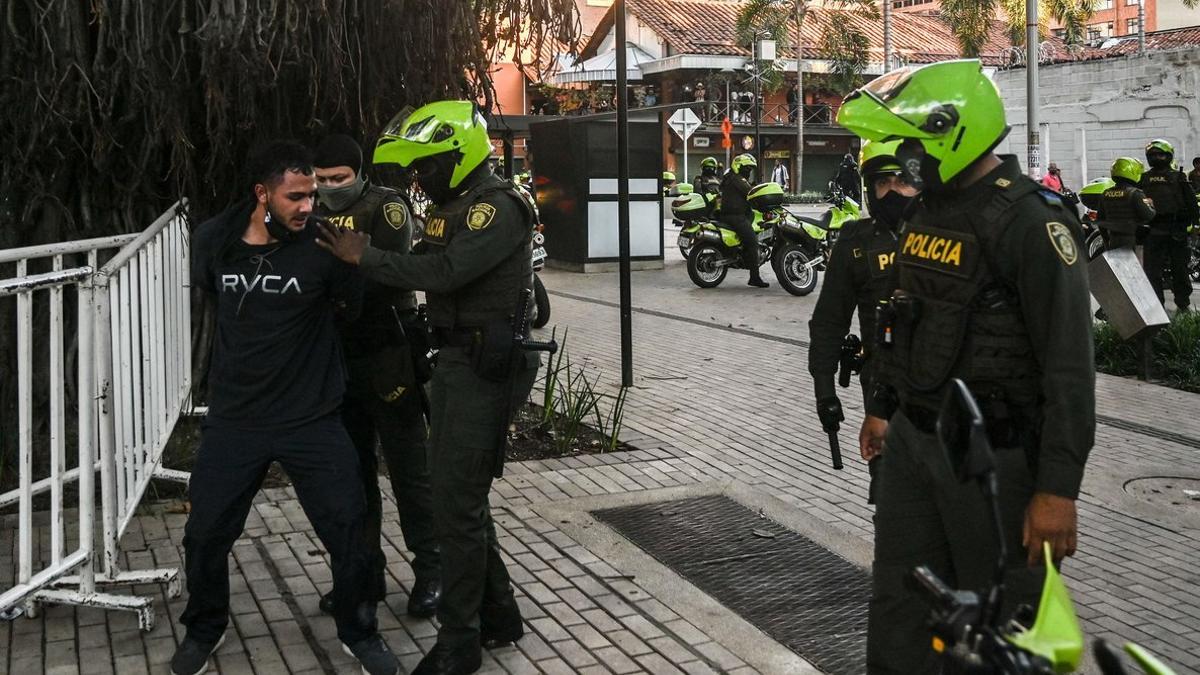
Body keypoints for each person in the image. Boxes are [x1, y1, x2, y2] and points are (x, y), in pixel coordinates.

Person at [837, 59, 1094, 674]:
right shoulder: (929, 211)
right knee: (902, 607)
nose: (907, 157)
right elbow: (901, 321)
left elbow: (1069, 367)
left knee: (1003, 631)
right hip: (915, 448)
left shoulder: (1032, 223)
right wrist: (882, 409)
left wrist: (1057, 489)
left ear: (957, 132)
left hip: (996, 464)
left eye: (917, 141)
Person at [317, 101, 538, 675]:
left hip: (486, 369)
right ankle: (500, 614)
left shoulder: (496, 208)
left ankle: (460, 643)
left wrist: (363, 253)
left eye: (428, 165)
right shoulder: (451, 208)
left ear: (459, 157)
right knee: (459, 498)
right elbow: (418, 258)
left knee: (453, 504)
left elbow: (441, 274)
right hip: (454, 363)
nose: (419, 178)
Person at [176, 141, 399, 675]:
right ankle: (205, 626)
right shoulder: (215, 241)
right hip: (236, 418)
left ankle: (359, 630)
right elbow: (209, 289)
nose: (307, 206)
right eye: (295, 196)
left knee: (350, 526)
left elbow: (348, 307)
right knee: (204, 532)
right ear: (262, 194)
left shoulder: (326, 243)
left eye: (313, 195)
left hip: (310, 417)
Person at [312, 134, 442, 619]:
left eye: (338, 179)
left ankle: (432, 570)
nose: (329, 188)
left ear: (358, 172)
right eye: (321, 180)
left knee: (411, 469)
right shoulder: (308, 210)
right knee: (352, 475)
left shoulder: (386, 208)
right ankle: (362, 575)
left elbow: (396, 273)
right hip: (338, 360)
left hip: (387, 351)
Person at [807, 140, 916, 494]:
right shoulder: (855, 243)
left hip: (946, 396)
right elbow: (828, 322)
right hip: (882, 392)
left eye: (903, 181)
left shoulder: (947, 237)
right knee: (891, 499)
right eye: (884, 183)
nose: (894, 192)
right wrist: (824, 391)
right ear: (870, 188)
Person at [1140, 139, 1199, 312]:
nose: (1157, 157)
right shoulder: (1145, 178)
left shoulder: (1177, 177)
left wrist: (1195, 225)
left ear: (1168, 156)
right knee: (1154, 272)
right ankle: (1160, 307)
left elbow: (1190, 203)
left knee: (1179, 270)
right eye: (1153, 155)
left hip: (1172, 230)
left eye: (1160, 154)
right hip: (1157, 230)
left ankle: (1182, 304)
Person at [720, 153, 769, 288]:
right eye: (747, 168)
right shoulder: (737, 179)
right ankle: (755, 278)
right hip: (736, 216)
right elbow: (750, 192)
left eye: (750, 168)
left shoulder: (729, 178)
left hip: (727, 215)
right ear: (738, 166)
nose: (749, 171)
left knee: (747, 238)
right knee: (753, 243)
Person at [1097, 156, 1155, 252]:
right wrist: (1150, 203)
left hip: (1113, 241)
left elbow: (1100, 221)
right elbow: (1149, 215)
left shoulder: (1105, 194)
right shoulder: (1136, 193)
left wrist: (1107, 242)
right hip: (1133, 242)